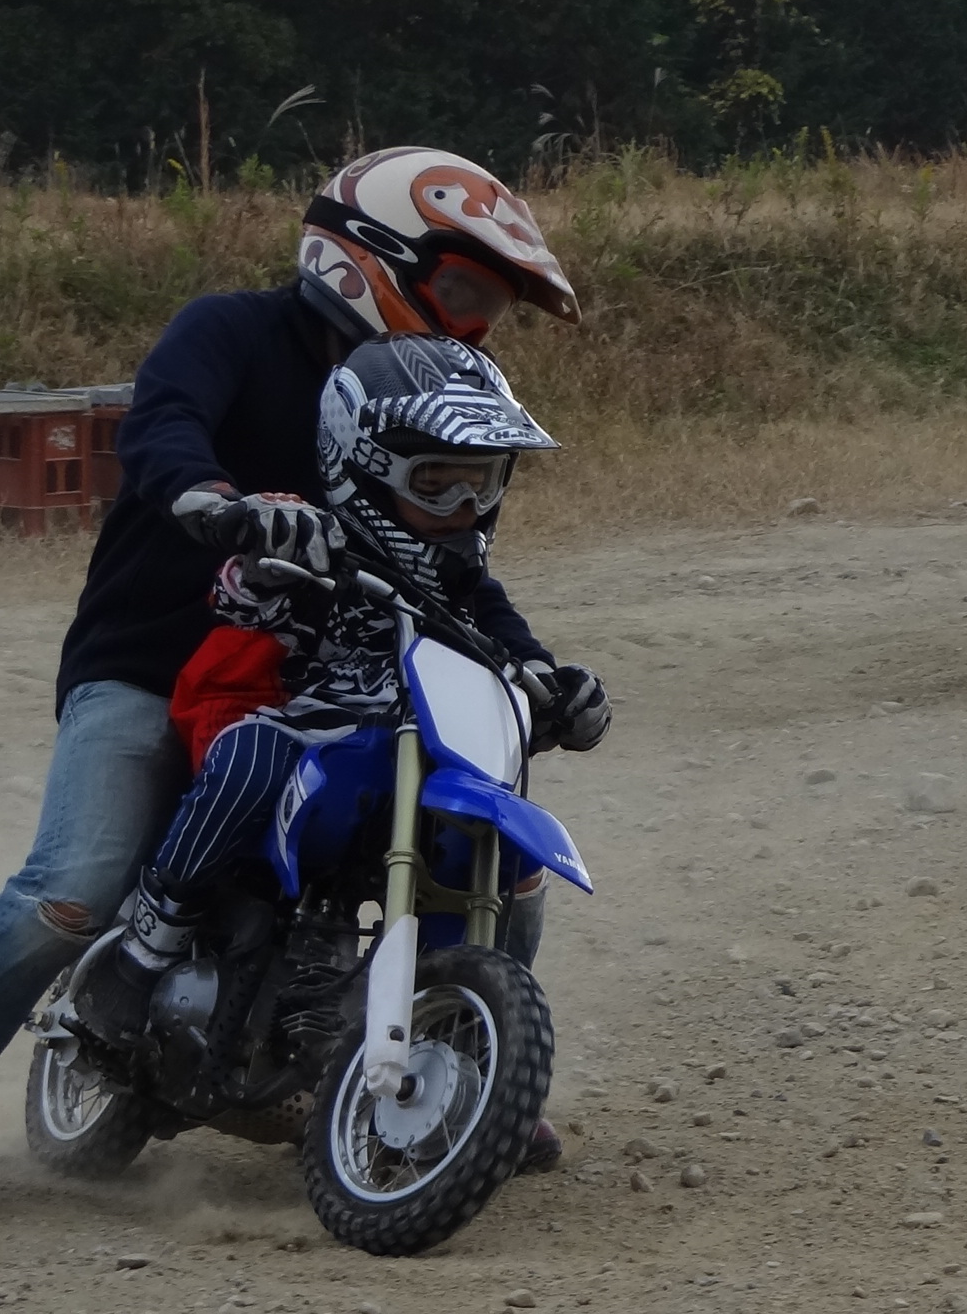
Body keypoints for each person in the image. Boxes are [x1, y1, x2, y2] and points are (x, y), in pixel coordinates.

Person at [0, 148, 584, 1208]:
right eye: (462, 294)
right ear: (368, 258)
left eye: (488, 312)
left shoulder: (421, 397)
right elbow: (163, 424)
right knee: (75, 886)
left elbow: (457, 567)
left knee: (496, 852)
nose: (472, 328)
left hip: (336, 683)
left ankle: (464, 1051)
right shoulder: (230, 331)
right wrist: (210, 496)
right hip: (150, 664)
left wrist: (538, 670)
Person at [76, 333, 609, 1042]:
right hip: (314, 732)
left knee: (509, 847)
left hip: (429, 747)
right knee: (250, 755)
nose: (464, 504)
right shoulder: (320, 546)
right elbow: (238, 597)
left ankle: (475, 1031)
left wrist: (560, 693)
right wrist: (266, 550)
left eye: (481, 482)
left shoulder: (468, 584)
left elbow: (515, 648)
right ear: (363, 470)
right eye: (437, 482)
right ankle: (152, 939)